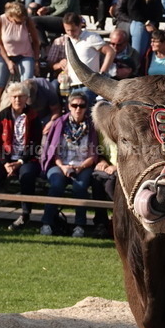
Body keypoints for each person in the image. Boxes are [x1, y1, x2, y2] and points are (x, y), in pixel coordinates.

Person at [0, 82, 43, 231]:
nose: (17, 100)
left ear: (26, 98)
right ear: (10, 98)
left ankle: (25, 215)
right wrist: (5, 163)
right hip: (5, 158)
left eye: (21, 96)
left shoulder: (34, 116)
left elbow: (36, 143)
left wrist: (21, 161)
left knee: (27, 175)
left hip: (26, 158)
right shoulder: (2, 115)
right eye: (14, 96)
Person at [40, 94, 101, 237]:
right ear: (68, 106)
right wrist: (63, 167)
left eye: (82, 106)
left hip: (83, 165)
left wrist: (80, 168)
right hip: (60, 164)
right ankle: (47, 223)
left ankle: (79, 226)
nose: (78, 109)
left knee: (80, 187)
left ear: (87, 108)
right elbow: (53, 151)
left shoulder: (92, 127)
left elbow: (93, 155)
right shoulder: (59, 124)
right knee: (56, 184)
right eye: (74, 105)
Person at [0, 1, 40, 124]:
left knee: (26, 85)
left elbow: (36, 41)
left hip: (25, 55)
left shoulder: (27, 21)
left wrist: (36, 61)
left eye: (22, 20)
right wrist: (8, 61)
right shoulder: (0, 21)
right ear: (10, 17)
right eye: (17, 21)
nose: (20, 23)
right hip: (6, 55)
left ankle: (24, 117)